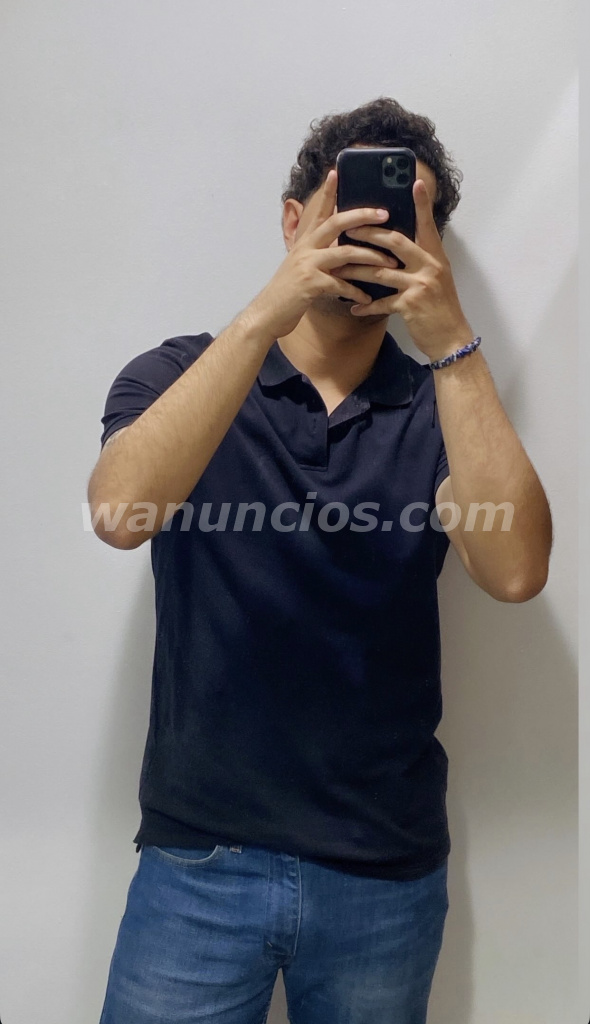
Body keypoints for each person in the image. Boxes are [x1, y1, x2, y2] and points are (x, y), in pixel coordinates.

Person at [89, 96, 552, 1024]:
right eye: (351, 205)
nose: (372, 231)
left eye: (403, 215)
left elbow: (514, 573)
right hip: (197, 860)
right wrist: (271, 309)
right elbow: (118, 512)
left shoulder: (441, 412)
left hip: (381, 874)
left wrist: (450, 340)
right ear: (294, 218)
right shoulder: (180, 371)